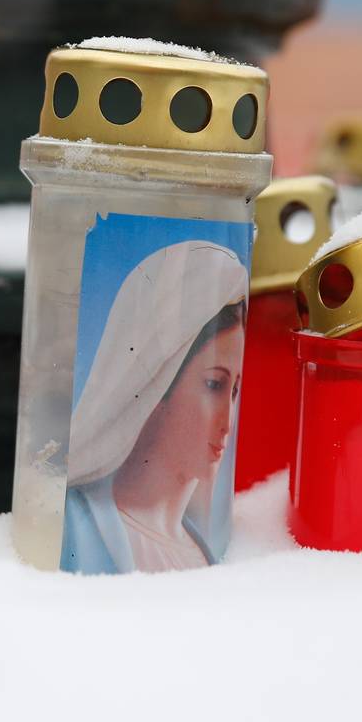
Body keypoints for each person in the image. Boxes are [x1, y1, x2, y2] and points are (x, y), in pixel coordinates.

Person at [62, 241, 247, 572]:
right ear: (157, 383)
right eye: (214, 385)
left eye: (234, 391)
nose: (227, 422)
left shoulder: (205, 550)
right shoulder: (76, 528)